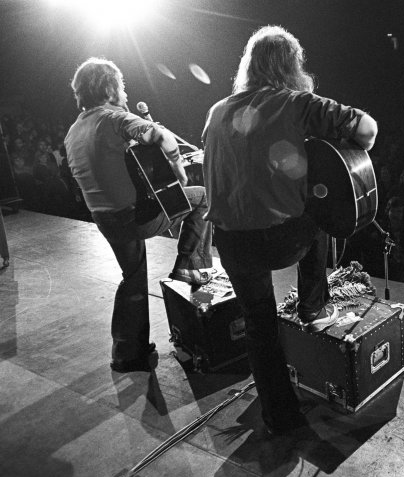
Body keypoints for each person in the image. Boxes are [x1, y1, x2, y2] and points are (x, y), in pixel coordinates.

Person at [201, 25, 378, 435]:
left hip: (230, 245)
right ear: (291, 65)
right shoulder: (295, 103)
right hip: (283, 241)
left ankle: (280, 417)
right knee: (321, 208)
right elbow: (367, 130)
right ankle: (313, 305)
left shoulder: (216, 111)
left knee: (258, 326)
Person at [64, 57, 213, 373]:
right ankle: (189, 267)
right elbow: (160, 137)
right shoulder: (114, 117)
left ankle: (128, 354)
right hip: (133, 217)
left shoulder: (73, 131)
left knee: (132, 277)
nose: (126, 95)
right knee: (202, 199)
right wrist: (178, 168)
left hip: (104, 219)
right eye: (122, 88)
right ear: (110, 87)